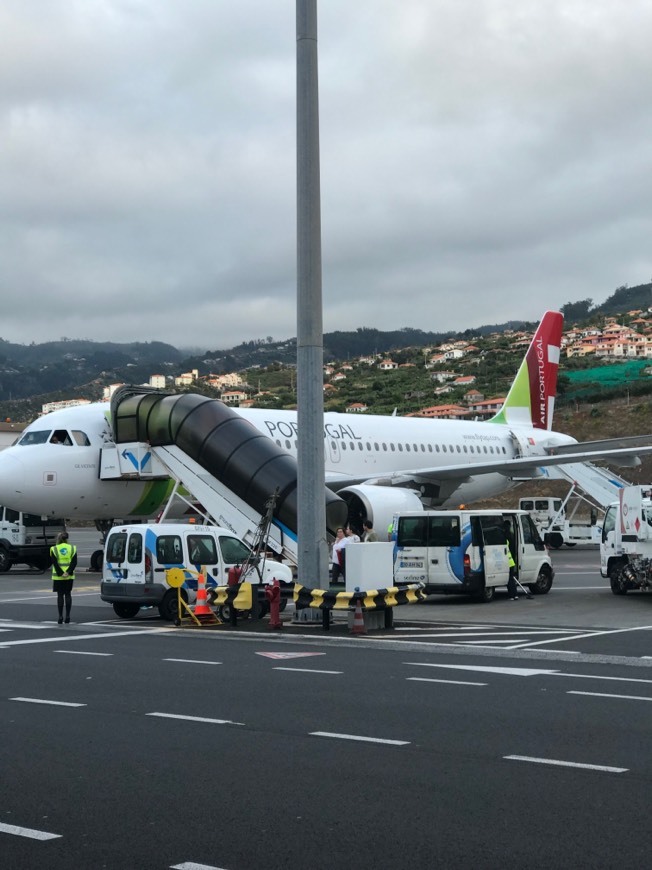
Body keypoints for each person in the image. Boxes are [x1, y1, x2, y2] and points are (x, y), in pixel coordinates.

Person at [50, 531, 77, 624]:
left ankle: (60, 616)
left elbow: (55, 563)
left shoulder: (54, 549)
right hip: (69, 576)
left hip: (58, 577)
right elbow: (74, 563)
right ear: (67, 539)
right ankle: (68, 616)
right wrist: (68, 572)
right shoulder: (73, 548)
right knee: (68, 594)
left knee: (60, 595)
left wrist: (61, 573)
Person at [503, 520, 518, 600]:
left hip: (507, 562)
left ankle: (511, 595)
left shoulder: (505, 537)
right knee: (511, 579)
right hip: (511, 561)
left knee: (509, 580)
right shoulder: (512, 535)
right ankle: (515, 594)